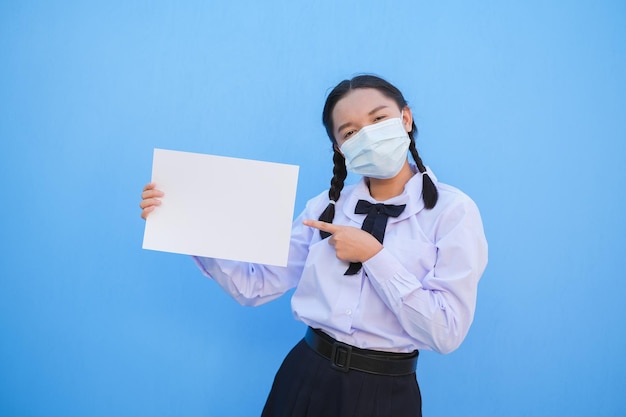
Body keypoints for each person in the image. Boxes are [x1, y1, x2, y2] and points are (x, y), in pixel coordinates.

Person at [140, 74, 488, 417]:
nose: (367, 135)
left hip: (387, 393)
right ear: (340, 148)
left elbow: (446, 332)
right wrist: (185, 222)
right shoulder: (324, 208)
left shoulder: (453, 212)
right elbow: (253, 285)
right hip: (306, 376)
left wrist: (374, 255)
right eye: (350, 132)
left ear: (405, 119)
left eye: (379, 119)